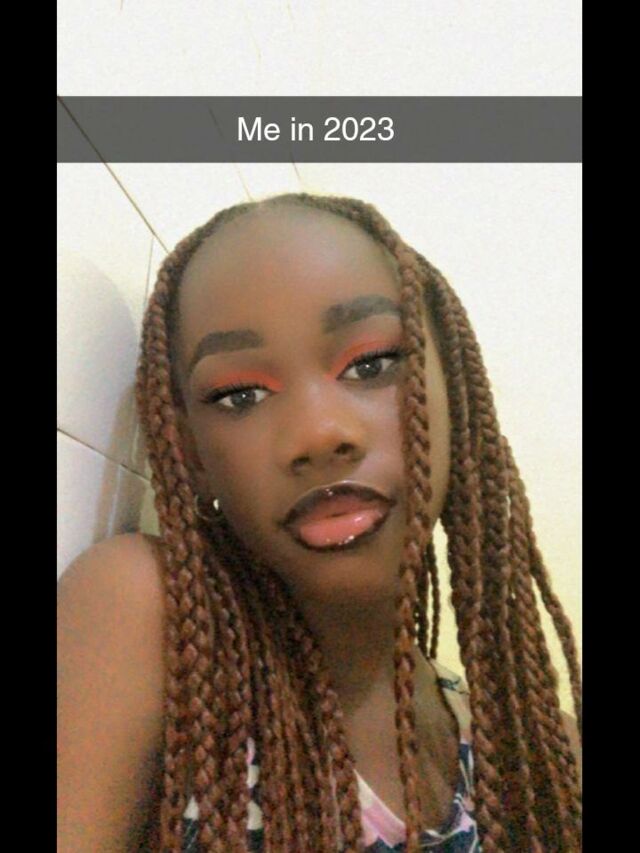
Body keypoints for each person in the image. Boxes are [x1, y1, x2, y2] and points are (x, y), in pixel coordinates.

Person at [57, 192, 582, 852]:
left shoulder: (544, 761)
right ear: (190, 455)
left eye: (372, 363)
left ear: (457, 391)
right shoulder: (146, 610)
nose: (318, 433)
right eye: (240, 395)